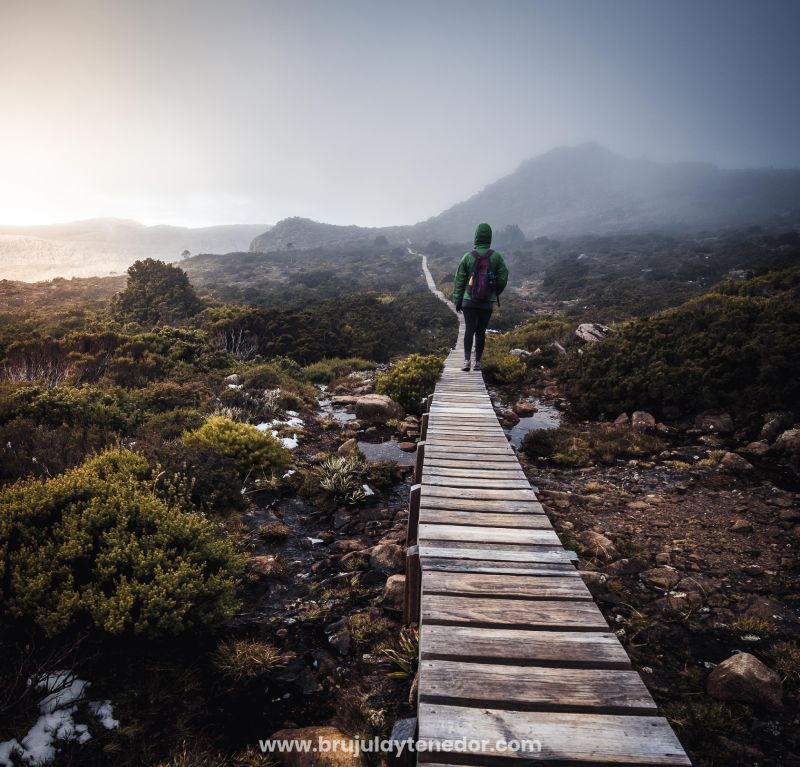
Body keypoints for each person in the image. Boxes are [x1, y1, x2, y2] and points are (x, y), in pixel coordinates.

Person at [452, 222, 509, 371]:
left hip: (468, 301)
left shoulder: (467, 257)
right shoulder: (496, 257)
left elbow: (459, 280)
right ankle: (478, 362)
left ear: (476, 236)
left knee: (469, 330)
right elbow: (503, 277)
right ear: (489, 237)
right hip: (486, 302)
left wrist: (458, 300)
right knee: (481, 332)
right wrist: (494, 292)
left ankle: (466, 362)